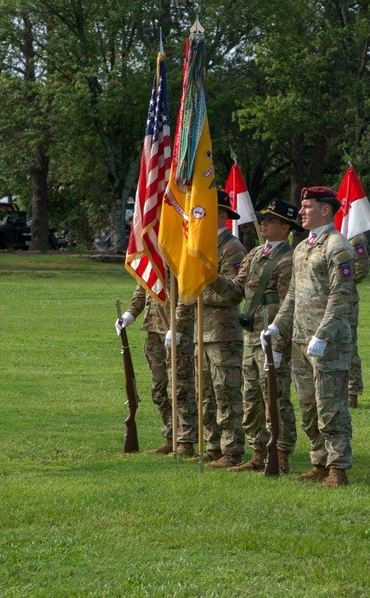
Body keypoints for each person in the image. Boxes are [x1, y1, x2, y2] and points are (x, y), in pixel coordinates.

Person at [262, 186, 356, 487]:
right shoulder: (302, 247)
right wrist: (278, 325)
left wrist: (323, 335)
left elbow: (341, 296)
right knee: (308, 406)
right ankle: (318, 461)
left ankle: (338, 469)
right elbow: (292, 294)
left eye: (307, 206)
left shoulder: (337, 247)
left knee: (331, 407)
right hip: (301, 340)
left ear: (325, 209)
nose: (301, 212)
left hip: (327, 343)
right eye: (302, 207)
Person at [212, 198, 300, 473]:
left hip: (273, 340)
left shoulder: (289, 260)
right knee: (251, 399)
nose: (264, 223)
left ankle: (281, 454)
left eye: (272, 220)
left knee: (276, 399)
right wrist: (211, 278)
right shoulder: (252, 255)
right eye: (264, 218)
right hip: (251, 338)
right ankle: (258, 453)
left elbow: (290, 304)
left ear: (286, 228)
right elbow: (236, 291)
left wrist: (279, 344)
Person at [179, 189, 248, 467]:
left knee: (226, 393)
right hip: (200, 333)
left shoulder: (232, 248)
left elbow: (233, 294)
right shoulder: (198, 245)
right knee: (205, 394)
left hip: (222, 334)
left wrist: (202, 289)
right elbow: (187, 288)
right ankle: (213, 446)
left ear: (221, 215)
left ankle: (232, 451)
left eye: (206, 211)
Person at [117, 280, 199, 455]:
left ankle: (185, 442)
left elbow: (187, 293)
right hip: (154, 329)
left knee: (180, 388)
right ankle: (170, 438)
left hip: (177, 331)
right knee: (159, 388)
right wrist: (130, 314)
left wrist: (179, 325)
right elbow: (143, 286)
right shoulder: (153, 255)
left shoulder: (177, 256)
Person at [347, 234, 370, 408]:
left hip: (346, 301)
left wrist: (338, 284)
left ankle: (351, 393)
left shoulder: (354, 236)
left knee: (348, 347)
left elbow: (361, 269)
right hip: (321, 301)